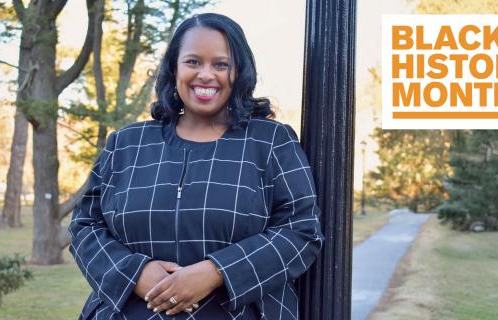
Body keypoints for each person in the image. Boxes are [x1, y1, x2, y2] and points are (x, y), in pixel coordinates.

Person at [69, 13, 324, 320]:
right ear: (174, 68)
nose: (206, 74)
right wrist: (135, 274)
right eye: (193, 62)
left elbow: (300, 231)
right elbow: (86, 225)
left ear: (239, 71)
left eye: (221, 64)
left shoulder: (270, 142)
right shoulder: (126, 144)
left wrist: (217, 272)